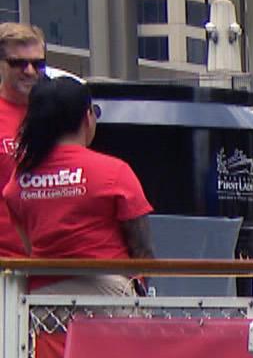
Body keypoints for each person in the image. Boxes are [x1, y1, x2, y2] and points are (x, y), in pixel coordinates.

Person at [2, 78, 155, 295]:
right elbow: (143, 250)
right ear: (87, 117)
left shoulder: (18, 182)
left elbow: (28, 248)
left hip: (41, 302)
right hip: (108, 298)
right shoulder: (115, 172)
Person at [0, 22, 48, 259]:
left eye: (38, 64)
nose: (29, 70)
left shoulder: (57, 115)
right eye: (18, 63)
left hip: (52, 262)